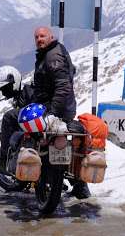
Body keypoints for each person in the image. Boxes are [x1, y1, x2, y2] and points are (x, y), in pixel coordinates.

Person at [31, 26, 90, 199]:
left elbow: (63, 86)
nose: (39, 39)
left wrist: (52, 113)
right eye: (36, 37)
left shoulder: (52, 56)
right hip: (65, 107)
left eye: (42, 36)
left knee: (19, 122)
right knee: (67, 142)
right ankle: (79, 184)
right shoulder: (54, 52)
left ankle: (34, 172)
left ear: (51, 37)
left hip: (56, 108)